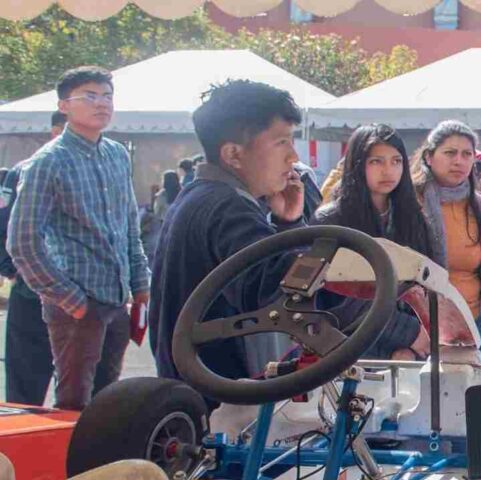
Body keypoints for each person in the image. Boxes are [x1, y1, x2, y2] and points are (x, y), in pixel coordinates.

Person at [149, 80, 305, 403]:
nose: (293, 156)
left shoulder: (199, 195)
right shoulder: (227, 207)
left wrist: (287, 222)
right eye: (281, 142)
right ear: (233, 154)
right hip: (223, 404)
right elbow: (275, 286)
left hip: (192, 391)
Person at [8, 68, 147, 411]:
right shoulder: (47, 162)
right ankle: (65, 465)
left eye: (107, 96)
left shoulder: (116, 154)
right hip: (78, 302)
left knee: (105, 400)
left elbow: (129, 224)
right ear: (64, 106)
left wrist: (140, 285)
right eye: (90, 96)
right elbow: (22, 243)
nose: (101, 103)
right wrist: (68, 297)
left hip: (116, 299)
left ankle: (99, 463)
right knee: (73, 402)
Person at [314, 124, 432, 361]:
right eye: (376, 161)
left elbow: (425, 283)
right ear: (357, 164)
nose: (388, 170)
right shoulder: (332, 220)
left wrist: (416, 343)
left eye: (396, 161)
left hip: (412, 349)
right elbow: (336, 298)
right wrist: (408, 335)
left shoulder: (413, 217)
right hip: (351, 348)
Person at [412, 120, 481, 363]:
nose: (459, 161)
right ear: (429, 157)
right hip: (421, 334)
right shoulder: (409, 205)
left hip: (475, 328)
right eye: (450, 153)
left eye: (467, 154)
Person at [0, 111, 66, 405]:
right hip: (33, 294)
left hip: (89, 297)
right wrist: (13, 270)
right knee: (25, 389)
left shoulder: (108, 169)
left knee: (83, 394)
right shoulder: (26, 170)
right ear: (55, 130)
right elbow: (3, 226)